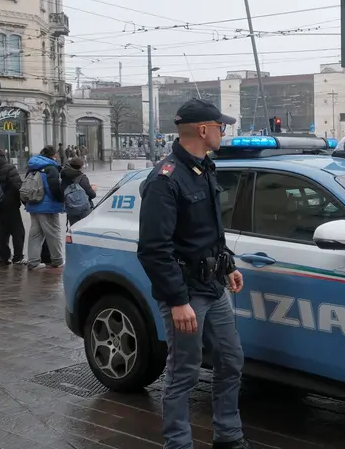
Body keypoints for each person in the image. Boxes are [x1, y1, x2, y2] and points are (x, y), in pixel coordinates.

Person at [136, 99, 249, 449]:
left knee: (231, 360)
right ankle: (178, 444)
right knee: (183, 372)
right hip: (186, 293)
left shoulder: (205, 168)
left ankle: (228, 435)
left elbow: (210, 230)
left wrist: (227, 264)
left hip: (213, 286)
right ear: (203, 130)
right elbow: (154, 250)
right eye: (220, 126)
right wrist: (177, 300)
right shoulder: (165, 180)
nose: (223, 132)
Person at [24, 145, 65, 269]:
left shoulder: (32, 166)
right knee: (53, 233)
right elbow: (54, 188)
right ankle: (57, 259)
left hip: (33, 204)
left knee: (35, 234)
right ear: (53, 155)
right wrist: (61, 199)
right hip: (48, 207)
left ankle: (33, 261)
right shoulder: (50, 168)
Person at [60, 157, 97, 225]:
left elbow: (62, 191)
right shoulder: (82, 177)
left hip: (71, 208)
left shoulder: (64, 176)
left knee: (73, 228)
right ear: (81, 167)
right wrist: (93, 189)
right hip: (84, 209)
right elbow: (92, 194)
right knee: (85, 228)